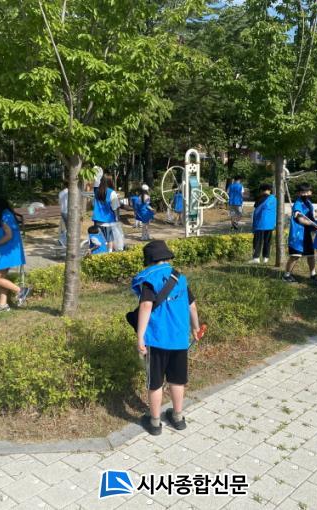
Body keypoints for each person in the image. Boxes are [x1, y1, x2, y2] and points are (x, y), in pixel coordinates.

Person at [131, 240, 200, 435]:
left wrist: (140, 337)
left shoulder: (149, 279)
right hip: (179, 339)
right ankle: (178, 417)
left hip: (156, 340)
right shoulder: (180, 278)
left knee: (155, 382)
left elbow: (146, 306)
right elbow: (192, 306)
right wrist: (195, 327)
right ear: (167, 257)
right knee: (177, 380)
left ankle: (154, 422)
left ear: (149, 260)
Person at [0, 196, 31, 314]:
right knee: (1, 277)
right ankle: (2, 305)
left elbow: (9, 235)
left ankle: (21, 290)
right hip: (10, 251)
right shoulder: (8, 214)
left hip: (6, 251)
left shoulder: (5, 216)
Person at [283, 183, 317, 284]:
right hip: (297, 234)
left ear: (311, 192)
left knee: (311, 255)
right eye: (303, 192)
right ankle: (286, 275)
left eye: (308, 192)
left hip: (306, 233)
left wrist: (315, 225)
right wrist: (315, 225)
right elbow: (300, 220)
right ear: (299, 193)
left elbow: (311, 217)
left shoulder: (308, 203)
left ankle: (313, 274)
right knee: (295, 255)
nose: (306, 194)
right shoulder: (298, 204)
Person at [249, 183, 277, 264]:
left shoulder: (259, 198)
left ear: (261, 190)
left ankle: (256, 258)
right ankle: (266, 258)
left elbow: (256, 210)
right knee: (267, 241)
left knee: (257, 241)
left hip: (260, 223)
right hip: (270, 224)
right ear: (270, 190)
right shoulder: (274, 199)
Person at [92, 174, 120, 252]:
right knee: (110, 238)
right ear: (110, 182)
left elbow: (93, 204)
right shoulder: (112, 192)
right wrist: (117, 217)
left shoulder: (96, 191)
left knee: (100, 238)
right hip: (108, 220)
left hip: (97, 220)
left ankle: (101, 252)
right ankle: (109, 253)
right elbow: (115, 207)